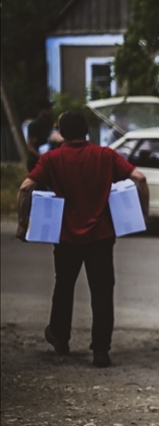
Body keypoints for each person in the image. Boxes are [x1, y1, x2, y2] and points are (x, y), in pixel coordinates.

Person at [15, 109, 150, 367]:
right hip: (101, 237)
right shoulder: (105, 155)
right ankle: (100, 350)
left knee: (63, 287)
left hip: (66, 237)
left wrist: (23, 224)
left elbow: (25, 188)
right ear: (86, 131)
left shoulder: (51, 159)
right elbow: (139, 179)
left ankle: (60, 338)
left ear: (61, 133)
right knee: (102, 292)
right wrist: (143, 212)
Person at [25, 105, 53, 171]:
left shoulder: (49, 123)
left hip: (47, 158)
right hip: (36, 160)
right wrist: (40, 156)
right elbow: (30, 146)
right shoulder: (35, 125)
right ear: (41, 111)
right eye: (47, 110)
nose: (50, 111)